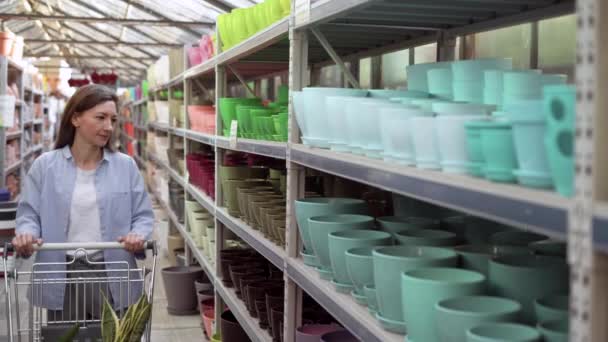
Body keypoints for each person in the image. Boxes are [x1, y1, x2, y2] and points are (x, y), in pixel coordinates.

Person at [12, 84, 154, 320]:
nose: (108, 127)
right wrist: (26, 234)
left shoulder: (125, 166)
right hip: (60, 272)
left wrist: (138, 235)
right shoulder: (45, 167)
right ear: (76, 118)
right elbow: (29, 215)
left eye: (113, 119)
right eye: (100, 117)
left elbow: (143, 216)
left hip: (112, 273)